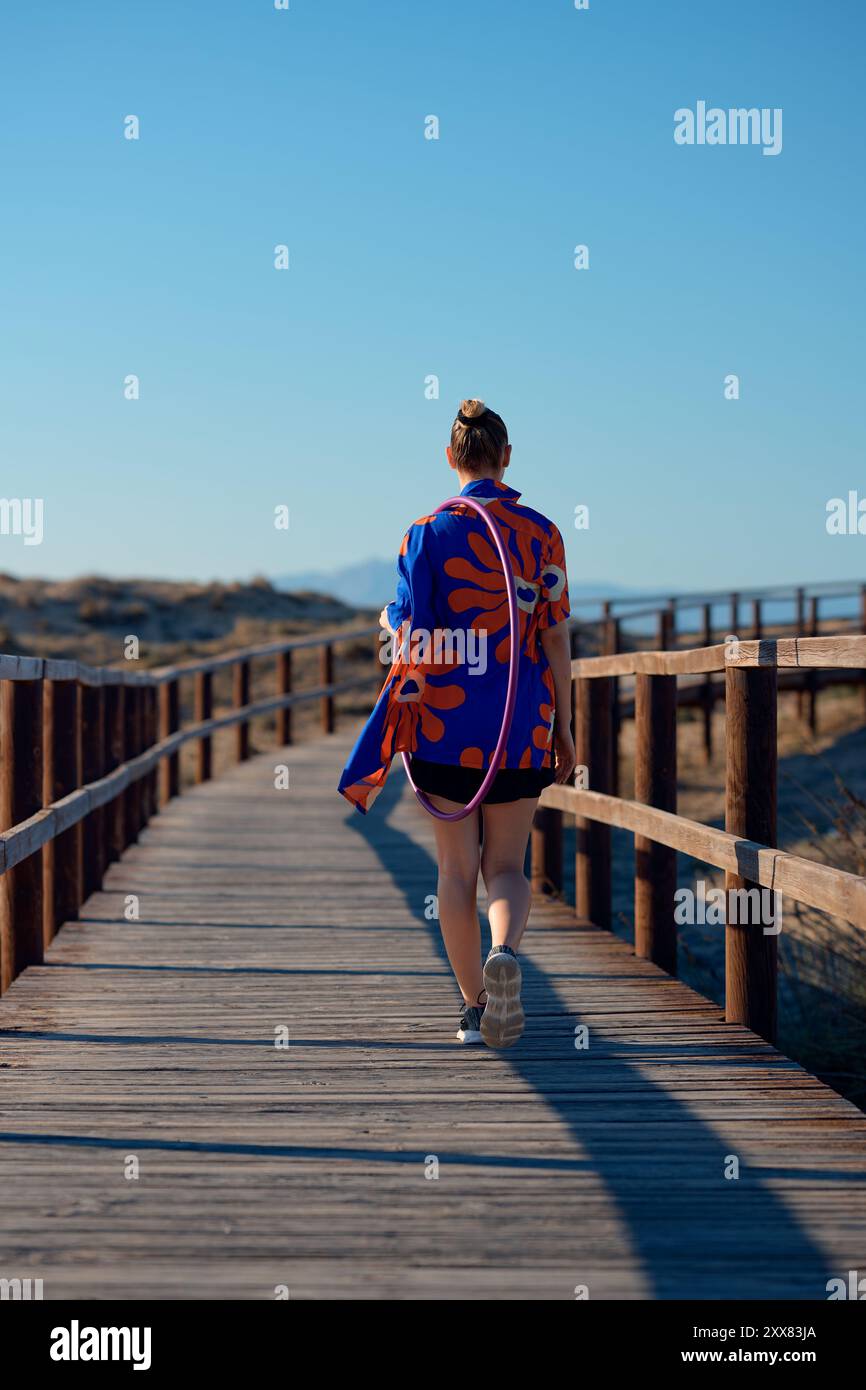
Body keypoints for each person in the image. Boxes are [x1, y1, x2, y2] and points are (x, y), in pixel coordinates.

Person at [338, 399, 575, 1047]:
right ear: (506, 456)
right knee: (507, 867)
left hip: (443, 728)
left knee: (454, 872)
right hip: (520, 726)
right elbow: (555, 642)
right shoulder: (542, 533)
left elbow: (409, 631)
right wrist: (567, 728)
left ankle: (475, 1006)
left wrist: (388, 622)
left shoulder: (425, 533)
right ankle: (506, 951)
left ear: (452, 459)